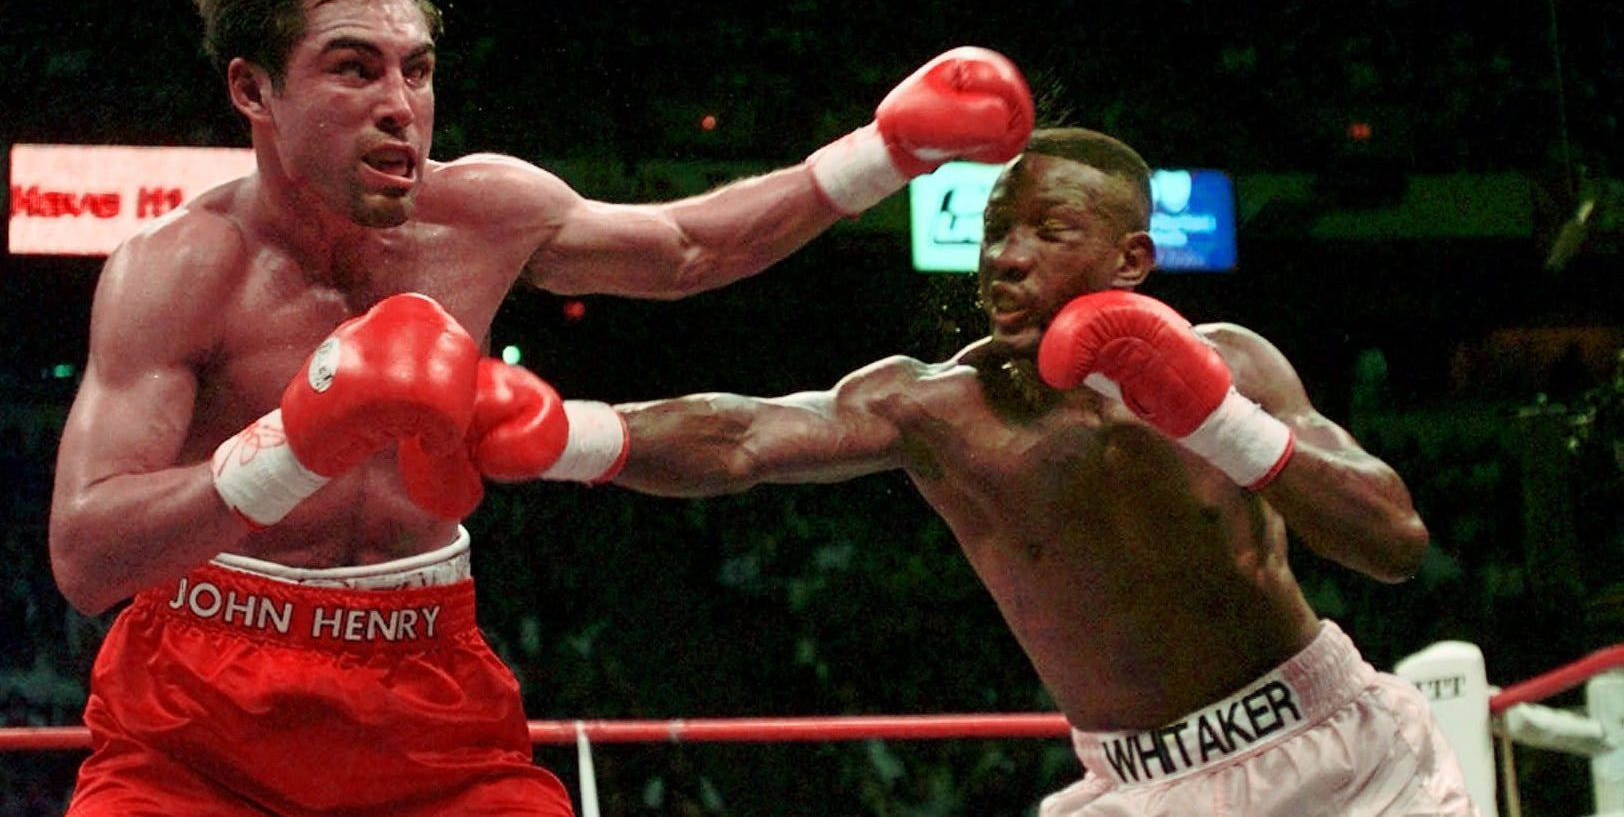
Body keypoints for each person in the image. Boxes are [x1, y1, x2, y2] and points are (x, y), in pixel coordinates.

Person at [46, 0, 1033, 813]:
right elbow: (87, 554)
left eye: (417, 69)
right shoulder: (178, 269)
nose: (401, 104)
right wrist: (295, 441)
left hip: (426, 690)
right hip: (195, 716)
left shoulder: (484, 212)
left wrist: (883, 153)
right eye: (355, 68)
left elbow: (690, 248)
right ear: (252, 88)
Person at [466, 127, 1475, 815]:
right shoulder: (936, 406)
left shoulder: (1234, 361)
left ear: (1128, 259)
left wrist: (1216, 416)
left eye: (1047, 231)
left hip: (1343, 752)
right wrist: (566, 433)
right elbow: (744, 438)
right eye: (996, 230)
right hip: (1139, 785)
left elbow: (1393, 540)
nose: (1005, 256)